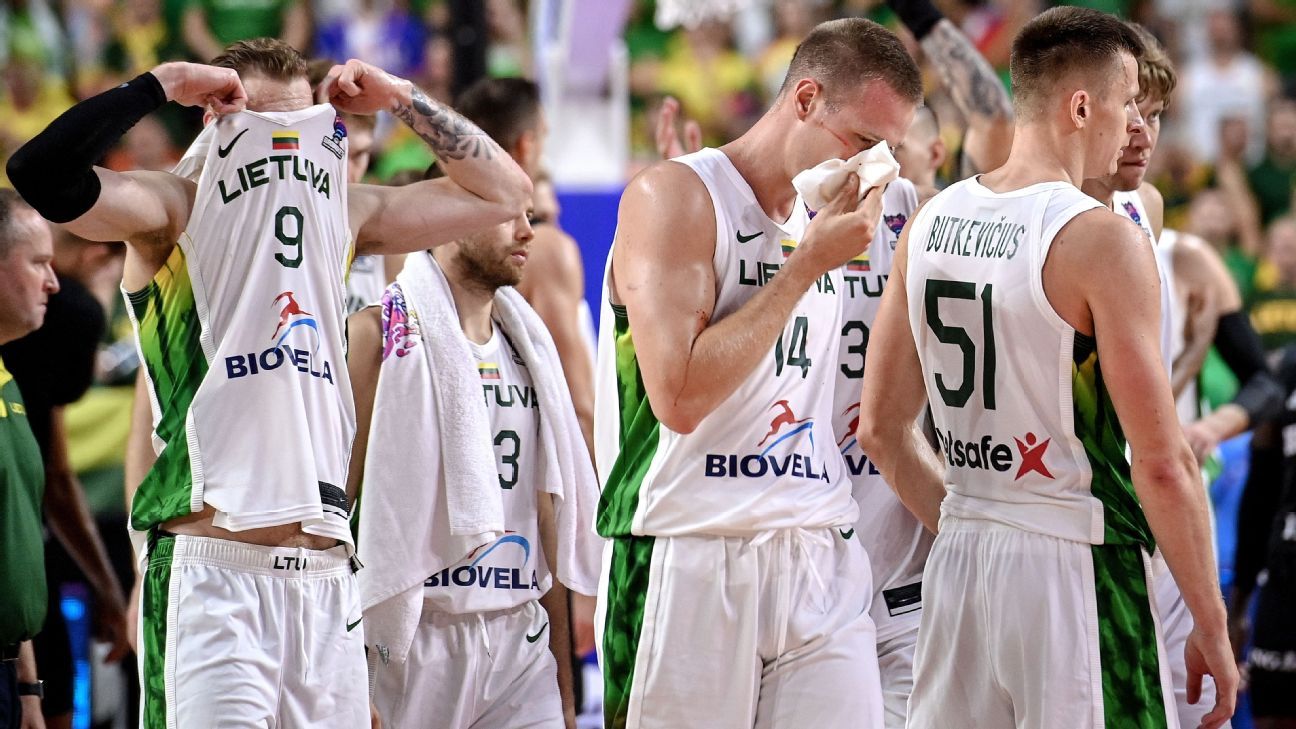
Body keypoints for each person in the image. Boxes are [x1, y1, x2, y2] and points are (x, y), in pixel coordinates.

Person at [8, 37, 531, 727]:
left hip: (324, 581)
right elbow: (39, 173)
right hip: (217, 573)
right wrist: (162, 83)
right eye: (263, 124)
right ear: (218, 119)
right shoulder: (173, 207)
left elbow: (506, 193)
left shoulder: (344, 214)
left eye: (299, 124)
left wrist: (401, 97)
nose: (284, 146)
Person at [857, 7, 1237, 728]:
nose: (1137, 125)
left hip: (962, 552)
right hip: (1075, 561)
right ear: (1082, 105)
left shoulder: (932, 220)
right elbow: (1160, 463)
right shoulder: (1102, 238)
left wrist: (981, 520)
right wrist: (1212, 626)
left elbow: (880, 427)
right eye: (1130, 103)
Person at [594, 17, 921, 729]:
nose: (874, 169)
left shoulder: (828, 214)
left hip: (816, 545)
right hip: (692, 547)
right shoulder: (674, 197)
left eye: (887, 151)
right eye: (864, 143)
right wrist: (805, 267)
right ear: (805, 100)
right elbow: (679, 396)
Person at [349, 207, 600, 729]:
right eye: (508, 215)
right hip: (414, 640)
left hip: (518, 640)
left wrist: (564, 685)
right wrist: (343, 669)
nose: (528, 231)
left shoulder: (528, 346)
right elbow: (335, 517)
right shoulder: (376, 336)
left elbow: (544, 517)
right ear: (449, 218)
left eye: (527, 214)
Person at [455, 77, 596, 455]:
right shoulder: (545, 249)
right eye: (544, 140)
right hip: (521, 471)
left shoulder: (433, 234)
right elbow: (577, 402)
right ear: (526, 145)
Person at [0, 187, 59, 729]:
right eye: (38, 261)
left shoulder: (9, 383)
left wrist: (29, 690)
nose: (53, 283)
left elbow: (14, 551)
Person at [1231, 342, 1296, 729]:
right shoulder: (1282, 368)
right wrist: (1237, 609)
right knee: (1275, 716)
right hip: (1287, 578)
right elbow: (1259, 494)